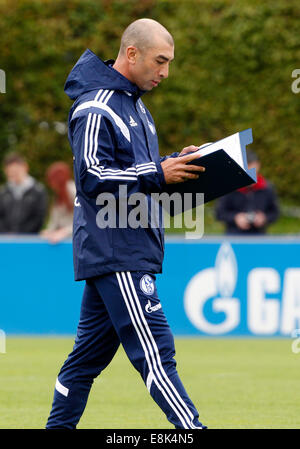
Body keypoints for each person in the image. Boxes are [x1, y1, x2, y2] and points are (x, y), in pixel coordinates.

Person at [46, 18, 207, 430]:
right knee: (156, 351)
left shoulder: (135, 106)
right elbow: (92, 177)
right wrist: (158, 171)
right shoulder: (96, 105)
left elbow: (136, 174)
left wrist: (178, 164)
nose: (165, 72)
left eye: (168, 63)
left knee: (84, 363)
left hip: (127, 246)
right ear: (131, 53)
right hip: (117, 249)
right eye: (160, 61)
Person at [216, 150, 279, 234]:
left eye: (251, 165)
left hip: (259, 236)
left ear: (258, 165)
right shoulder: (230, 187)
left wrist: (264, 218)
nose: (249, 169)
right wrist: (235, 218)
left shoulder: (266, 187)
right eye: (246, 165)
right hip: (234, 235)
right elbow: (220, 213)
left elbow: (275, 212)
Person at [0, 152, 48, 233]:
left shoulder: (38, 191)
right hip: (5, 240)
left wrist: (21, 234)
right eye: (10, 171)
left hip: (29, 239)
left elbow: (39, 218)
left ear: (25, 167)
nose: (13, 174)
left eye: (16, 171)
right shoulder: (3, 192)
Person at [40, 161, 76, 244]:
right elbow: (55, 219)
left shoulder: (73, 191)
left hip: (72, 238)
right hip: (59, 237)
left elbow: (82, 220)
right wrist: (49, 231)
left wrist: (64, 232)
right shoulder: (58, 194)